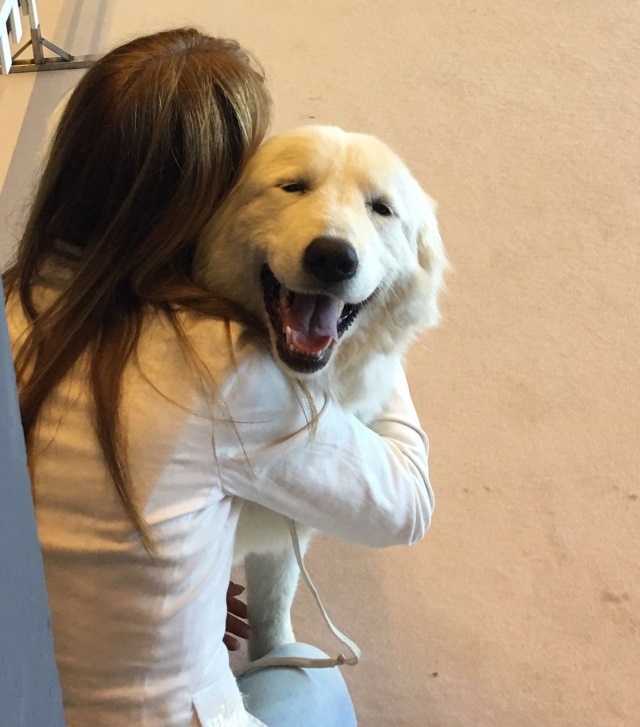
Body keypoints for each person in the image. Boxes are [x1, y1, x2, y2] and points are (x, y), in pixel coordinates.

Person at [3, 27, 435, 727]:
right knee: (310, 680)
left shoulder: (14, 301)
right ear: (205, 203)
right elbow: (406, 505)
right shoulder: (220, 363)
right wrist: (380, 339)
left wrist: (185, 589)